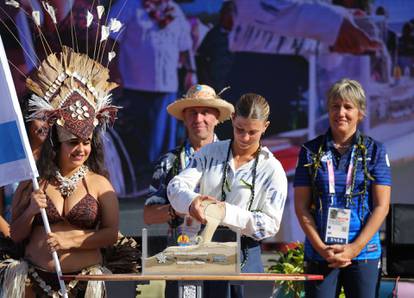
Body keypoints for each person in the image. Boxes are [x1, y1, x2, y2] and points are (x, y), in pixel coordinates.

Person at [0, 31, 120, 296]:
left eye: (86, 142)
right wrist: (31, 209)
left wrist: (73, 239)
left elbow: (111, 234)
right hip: (34, 280)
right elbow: (17, 234)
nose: (81, 149)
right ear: (58, 144)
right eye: (72, 143)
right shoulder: (35, 180)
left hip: (84, 282)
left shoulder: (100, 184)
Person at [167, 93, 288, 298]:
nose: (245, 137)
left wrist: (226, 212)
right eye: (240, 129)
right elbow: (175, 186)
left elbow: (270, 224)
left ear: (265, 127)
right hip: (203, 250)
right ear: (232, 119)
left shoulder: (272, 168)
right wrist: (192, 202)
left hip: (245, 255)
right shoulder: (210, 153)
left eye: (253, 132)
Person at [294, 78, 391, 298]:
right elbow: (301, 206)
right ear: (328, 110)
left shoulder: (375, 150)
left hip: (363, 253)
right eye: (335, 106)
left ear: (360, 112)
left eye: (348, 107)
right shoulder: (309, 151)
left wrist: (354, 248)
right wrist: (321, 248)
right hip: (321, 254)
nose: (341, 113)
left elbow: (381, 206)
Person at [108, 0, 197, 183]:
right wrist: (114, 72)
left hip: (167, 87)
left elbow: (185, 46)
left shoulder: (174, 9)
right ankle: (137, 182)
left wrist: (191, 71)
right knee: (137, 139)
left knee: (163, 140)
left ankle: (162, 180)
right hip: (133, 85)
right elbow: (110, 40)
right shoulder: (128, 6)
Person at [197, 1, 235, 91]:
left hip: (235, 85)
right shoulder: (213, 34)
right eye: (228, 14)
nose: (232, 18)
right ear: (223, 15)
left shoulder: (241, 35)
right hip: (215, 85)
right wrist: (206, 82)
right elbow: (200, 59)